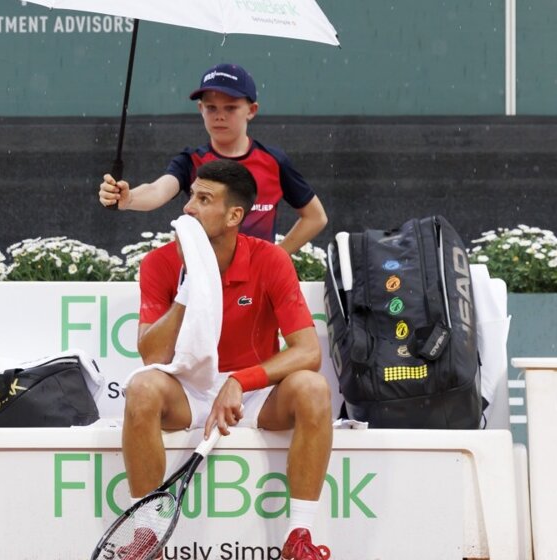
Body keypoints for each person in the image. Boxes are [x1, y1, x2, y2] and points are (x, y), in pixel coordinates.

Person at [121, 159, 333, 560]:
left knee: (313, 388)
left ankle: (299, 537)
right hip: (189, 391)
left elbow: (309, 352)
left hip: (253, 395)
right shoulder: (160, 263)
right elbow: (151, 355)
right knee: (142, 387)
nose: (188, 208)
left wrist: (242, 380)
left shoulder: (271, 260)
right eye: (190, 198)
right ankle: (148, 537)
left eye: (204, 199)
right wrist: (189, 288)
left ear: (235, 214)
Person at [98, 62, 328, 255]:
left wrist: (276, 256)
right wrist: (128, 199)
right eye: (211, 107)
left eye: (230, 108)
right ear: (200, 109)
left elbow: (316, 217)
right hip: (203, 285)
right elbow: (158, 190)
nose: (219, 116)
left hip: (257, 288)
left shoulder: (274, 161)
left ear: (252, 110)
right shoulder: (190, 160)